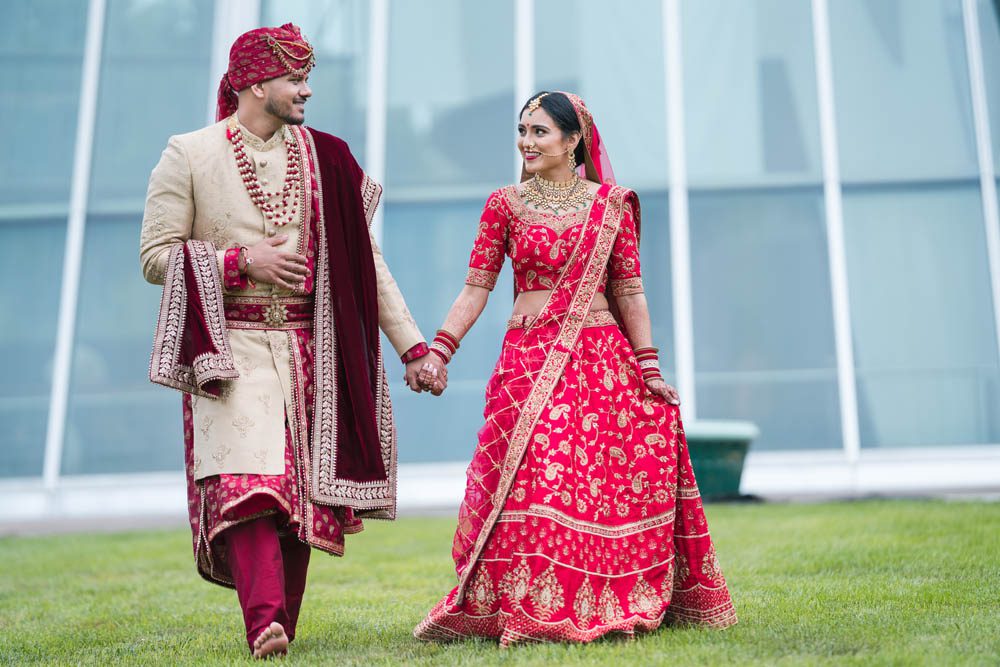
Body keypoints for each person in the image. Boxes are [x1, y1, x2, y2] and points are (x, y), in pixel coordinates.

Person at [140, 23, 446, 658]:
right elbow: (155, 257)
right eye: (295, 79)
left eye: (307, 79)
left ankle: (281, 624)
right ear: (256, 84)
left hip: (312, 350)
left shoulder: (327, 157)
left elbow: (366, 263)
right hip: (228, 348)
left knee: (299, 500)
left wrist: (414, 347)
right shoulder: (190, 153)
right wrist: (238, 261)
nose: (307, 90)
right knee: (248, 485)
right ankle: (264, 623)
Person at [413, 92, 736, 646]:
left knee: (587, 483)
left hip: (599, 360)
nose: (526, 141)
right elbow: (476, 288)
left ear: (573, 140)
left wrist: (649, 367)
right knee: (534, 476)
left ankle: (598, 597)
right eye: (523, 130)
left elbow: (629, 291)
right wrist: (441, 349)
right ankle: (526, 601)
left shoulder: (610, 206)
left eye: (539, 131)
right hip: (530, 358)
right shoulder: (505, 204)